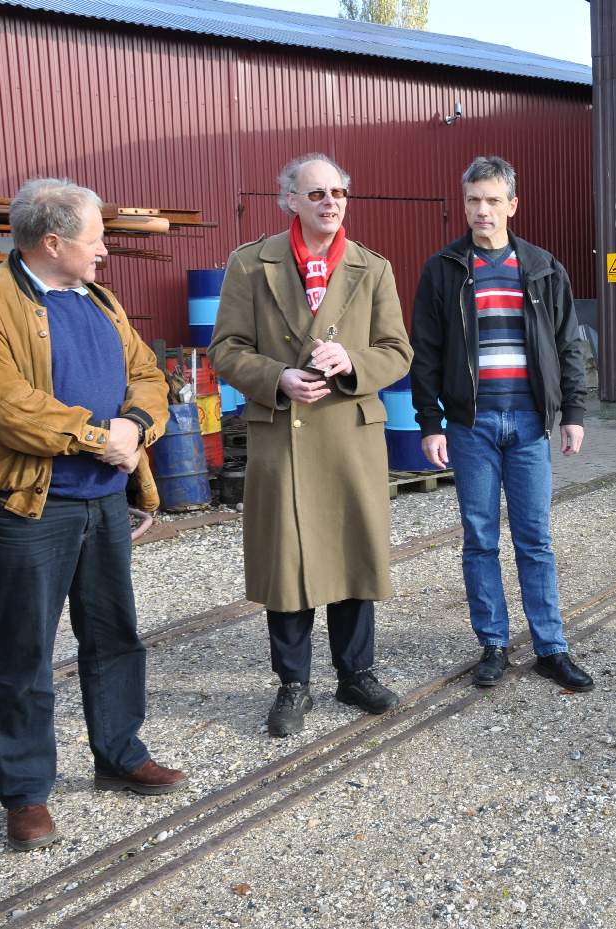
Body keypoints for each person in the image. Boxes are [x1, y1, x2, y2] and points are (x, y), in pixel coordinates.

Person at [0, 178, 186, 851]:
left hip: (102, 500)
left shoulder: (99, 299)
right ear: (52, 242)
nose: (105, 249)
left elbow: (147, 373)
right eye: (94, 237)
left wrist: (136, 424)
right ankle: (25, 793)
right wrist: (95, 435)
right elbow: (1, 402)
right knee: (24, 652)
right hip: (28, 506)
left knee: (115, 635)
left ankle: (118, 753)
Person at [210, 154, 413, 737]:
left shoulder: (371, 268)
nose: (331, 201)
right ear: (290, 201)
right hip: (284, 435)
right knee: (288, 562)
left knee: (352, 555)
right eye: (317, 192)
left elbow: (398, 352)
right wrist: (276, 377)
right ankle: (293, 684)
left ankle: (356, 674)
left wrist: (353, 361)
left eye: (340, 191)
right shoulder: (251, 264)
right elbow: (226, 348)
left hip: (349, 435)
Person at [410, 155, 594, 692]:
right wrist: (430, 422)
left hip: (530, 424)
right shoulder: (443, 269)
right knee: (480, 538)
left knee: (535, 538)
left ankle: (550, 647)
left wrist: (574, 413)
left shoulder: (541, 267)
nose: (482, 210)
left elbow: (568, 345)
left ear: (513, 204)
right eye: (473, 200)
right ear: (464, 203)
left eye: (492, 200)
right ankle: (492, 644)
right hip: (472, 426)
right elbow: (425, 351)